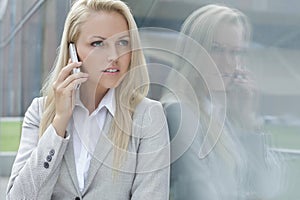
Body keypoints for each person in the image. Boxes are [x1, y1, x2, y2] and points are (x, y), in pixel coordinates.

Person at [6, 0, 170, 199]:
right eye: (98, 43)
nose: (114, 56)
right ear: (73, 51)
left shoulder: (147, 116)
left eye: (123, 43)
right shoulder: (41, 112)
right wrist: (59, 123)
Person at [160, 4, 285, 200]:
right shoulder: (180, 112)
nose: (228, 62)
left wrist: (248, 121)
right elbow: (196, 193)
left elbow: (266, 190)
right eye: (216, 49)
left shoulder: (221, 114)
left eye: (236, 52)